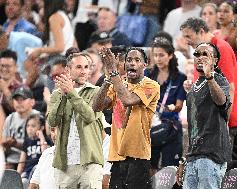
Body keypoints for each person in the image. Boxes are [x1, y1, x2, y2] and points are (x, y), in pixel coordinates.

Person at [93, 47, 160, 189]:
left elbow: (128, 99)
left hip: (138, 156)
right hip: (116, 156)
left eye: (137, 60)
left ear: (145, 65)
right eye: (129, 60)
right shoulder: (118, 83)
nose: (132, 63)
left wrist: (114, 72)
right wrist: (107, 79)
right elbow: (97, 106)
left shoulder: (151, 86)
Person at [176, 42, 231, 189]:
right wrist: (183, 159)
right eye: (197, 54)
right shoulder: (193, 88)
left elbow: (221, 102)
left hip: (211, 154)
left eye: (205, 54)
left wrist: (209, 77)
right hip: (193, 155)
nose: (200, 58)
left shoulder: (219, 80)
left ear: (215, 60)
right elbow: (192, 127)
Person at [47, 49, 104, 188]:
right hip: (65, 163)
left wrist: (71, 92)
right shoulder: (56, 94)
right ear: (68, 69)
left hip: (90, 162)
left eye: (86, 67)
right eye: (79, 67)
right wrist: (63, 94)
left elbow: (90, 116)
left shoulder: (97, 92)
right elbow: (52, 122)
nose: (84, 71)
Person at [180, 17, 237, 144]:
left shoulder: (220, 48)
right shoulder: (201, 51)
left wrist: (225, 121)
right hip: (206, 120)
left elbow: (229, 87)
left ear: (201, 32)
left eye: (188, 36)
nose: (186, 41)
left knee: (217, 163)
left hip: (220, 120)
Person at [144, 37, 186, 171]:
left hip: (170, 127)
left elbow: (179, 106)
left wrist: (169, 107)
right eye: (155, 55)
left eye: (161, 55)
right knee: (149, 167)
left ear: (170, 55)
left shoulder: (180, 78)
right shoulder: (147, 74)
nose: (158, 59)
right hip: (150, 126)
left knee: (170, 169)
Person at [2, 87, 39, 169]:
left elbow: (39, 144)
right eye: (16, 99)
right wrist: (6, 143)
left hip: (31, 160)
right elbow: (3, 141)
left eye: (23, 99)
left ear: (32, 102)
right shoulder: (10, 118)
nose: (19, 102)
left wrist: (16, 144)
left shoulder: (38, 117)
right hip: (11, 160)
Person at [17, 114, 52, 189]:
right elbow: (21, 162)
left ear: (41, 128)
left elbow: (45, 154)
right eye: (28, 126)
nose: (29, 129)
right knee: (22, 181)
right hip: (27, 172)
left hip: (40, 171)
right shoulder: (27, 142)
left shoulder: (46, 140)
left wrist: (41, 137)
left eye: (33, 126)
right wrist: (17, 175)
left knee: (35, 168)